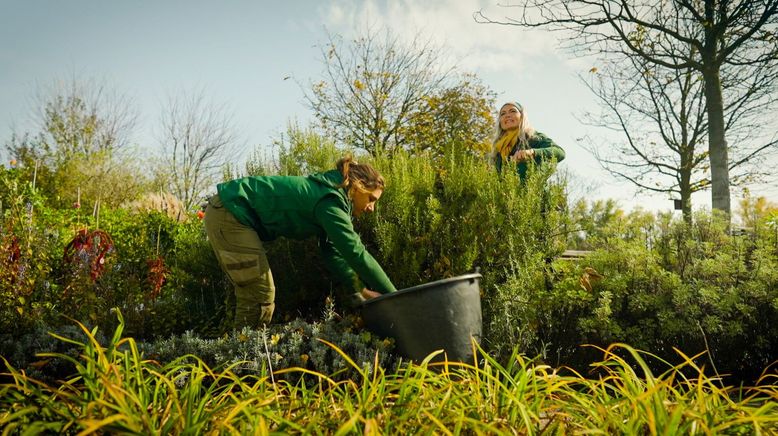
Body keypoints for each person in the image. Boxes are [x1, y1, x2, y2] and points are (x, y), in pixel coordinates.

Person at [203, 156, 396, 330]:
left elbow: (333, 252)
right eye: (371, 199)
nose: (372, 208)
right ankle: (241, 363)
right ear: (357, 186)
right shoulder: (330, 201)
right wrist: (396, 297)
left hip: (230, 212)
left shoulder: (332, 198)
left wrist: (360, 290)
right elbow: (356, 252)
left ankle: (242, 357)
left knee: (256, 295)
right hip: (230, 213)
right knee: (259, 296)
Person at [491, 101, 565, 179]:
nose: (507, 115)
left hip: (534, 190)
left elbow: (560, 152)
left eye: (513, 111)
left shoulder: (533, 137)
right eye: (503, 114)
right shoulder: (498, 149)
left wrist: (532, 153)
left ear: (522, 116)